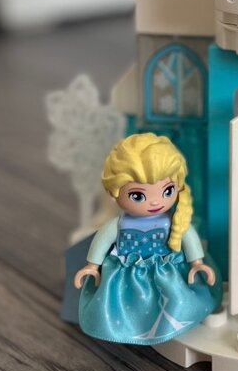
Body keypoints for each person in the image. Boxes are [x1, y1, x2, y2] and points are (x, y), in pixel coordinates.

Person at [74, 133, 220, 344]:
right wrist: (92, 266)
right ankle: (132, 328)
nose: (155, 202)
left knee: (174, 299)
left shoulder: (173, 221)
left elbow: (189, 238)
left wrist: (197, 263)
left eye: (167, 191)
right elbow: (102, 240)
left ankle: (169, 325)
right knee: (129, 305)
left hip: (168, 271)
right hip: (128, 274)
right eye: (138, 196)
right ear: (114, 193)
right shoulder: (118, 225)